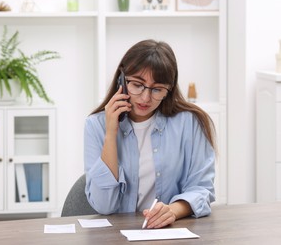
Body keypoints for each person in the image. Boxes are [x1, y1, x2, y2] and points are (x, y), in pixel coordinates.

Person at [83, 39, 216, 229]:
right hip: (115, 236)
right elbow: (104, 206)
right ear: (122, 79)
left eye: (157, 89)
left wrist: (172, 211)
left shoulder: (190, 122)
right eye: (137, 85)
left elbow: (203, 188)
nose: (146, 98)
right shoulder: (95, 125)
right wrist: (111, 134)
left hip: (170, 233)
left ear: (168, 90)